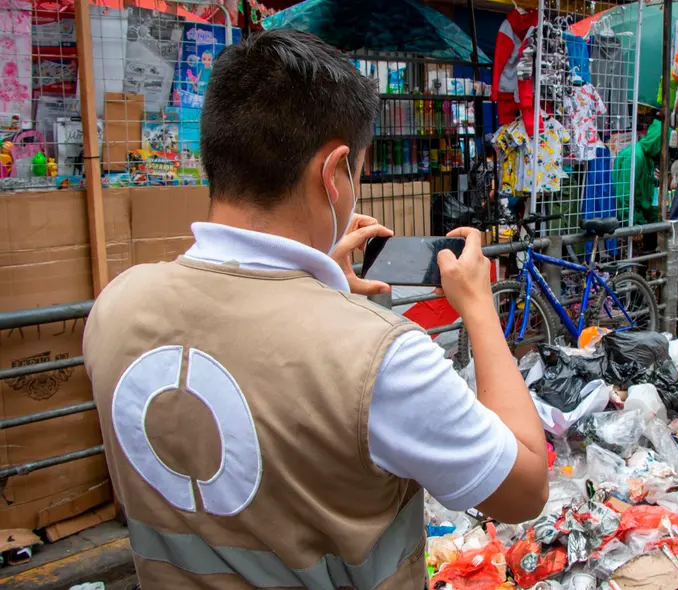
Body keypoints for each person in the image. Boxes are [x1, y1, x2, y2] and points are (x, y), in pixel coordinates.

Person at [82, 29, 548, 590]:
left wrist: (318, 293)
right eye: (358, 175)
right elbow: (524, 489)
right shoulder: (382, 358)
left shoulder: (115, 306)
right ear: (334, 175)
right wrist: (477, 306)